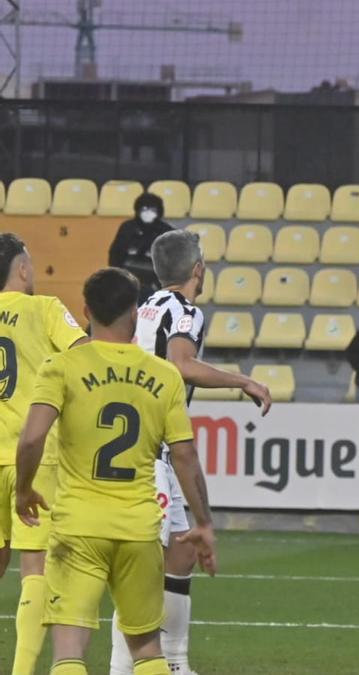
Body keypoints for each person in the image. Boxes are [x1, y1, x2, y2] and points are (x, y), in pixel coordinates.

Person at [14, 267, 218, 675]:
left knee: (69, 650)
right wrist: (203, 522)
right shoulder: (165, 376)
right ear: (137, 311)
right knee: (147, 651)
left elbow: (32, 438)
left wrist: (23, 490)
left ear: (86, 310)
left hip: (78, 527)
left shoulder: (62, 366)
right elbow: (185, 455)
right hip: (139, 528)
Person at [108, 229, 272, 675]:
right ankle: (124, 668)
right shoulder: (185, 310)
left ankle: (176, 663)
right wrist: (245, 381)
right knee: (143, 567)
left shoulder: (141, 306)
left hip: (142, 443)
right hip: (152, 452)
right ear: (197, 269)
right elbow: (182, 363)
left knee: (180, 554)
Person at [0, 234, 89, 674]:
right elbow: (85, 355)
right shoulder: (46, 309)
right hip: (33, 455)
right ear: (22, 268)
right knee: (34, 568)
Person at [108, 192, 174, 304]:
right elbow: (115, 255)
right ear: (137, 210)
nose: (148, 212)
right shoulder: (127, 228)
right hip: (126, 288)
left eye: (152, 209)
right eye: (144, 209)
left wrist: (158, 286)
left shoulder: (166, 232)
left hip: (154, 290)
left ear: (159, 211)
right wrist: (119, 282)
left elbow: (171, 264)